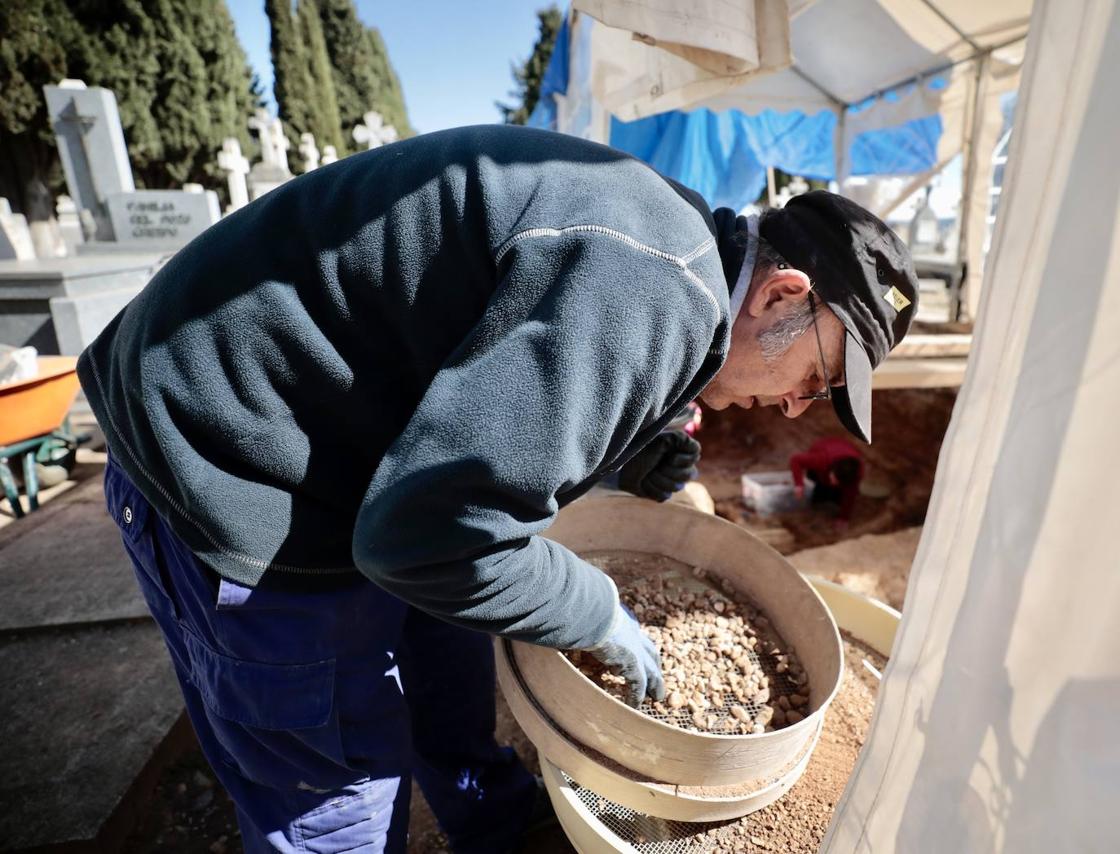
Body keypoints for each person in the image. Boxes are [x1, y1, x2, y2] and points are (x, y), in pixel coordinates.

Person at [78, 125, 917, 852]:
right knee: (332, 791)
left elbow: (495, 358)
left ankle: (497, 827)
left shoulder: (681, 245)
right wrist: (595, 609)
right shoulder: (650, 290)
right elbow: (429, 537)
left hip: (346, 444)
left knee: (452, 652)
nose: (795, 405)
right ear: (780, 294)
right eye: (815, 375)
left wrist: (631, 443)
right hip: (226, 448)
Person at [790, 436, 865, 532]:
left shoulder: (856, 475)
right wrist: (799, 485)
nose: (833, 483)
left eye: (837, 482)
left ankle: (831, 498)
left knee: (839, 495)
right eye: (833, 478)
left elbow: (850, 496)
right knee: (820, 488)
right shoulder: (821, 459)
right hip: (824, 449)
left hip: (843, 456)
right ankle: (820, 497)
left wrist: (844, 518)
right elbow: (795, 460)